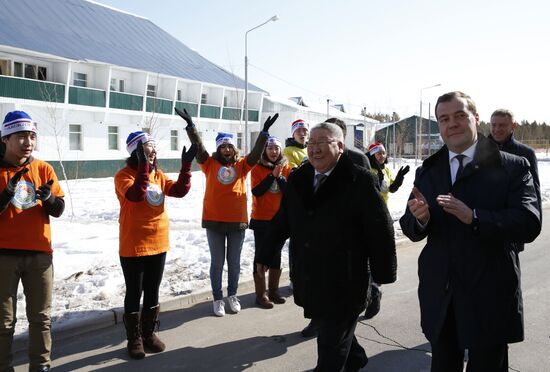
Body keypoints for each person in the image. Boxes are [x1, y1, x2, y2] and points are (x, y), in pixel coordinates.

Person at [400, 91, 541, 372]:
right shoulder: (429, 170)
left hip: (489, 291)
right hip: (442, 293)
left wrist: (475, 217)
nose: (451, 124)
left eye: (459, 116)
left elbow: (529, 222)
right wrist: (420, 219)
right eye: (443, 119)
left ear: (475, 119)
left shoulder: (512, 166)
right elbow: (410, 226)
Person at [258, 122, 397, 371]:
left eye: (322, 142)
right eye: (311, 143)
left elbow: (380, 229)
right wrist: (266, 253)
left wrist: (380, 276)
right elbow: (283, 220)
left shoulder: (359, 180)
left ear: (340, 146)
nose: (314, 149)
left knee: (330, 346)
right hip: (311, 275)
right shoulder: (299, 179)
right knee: (331, 327)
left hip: (346, 279)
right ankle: (355, 358)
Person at [175, 107, 279, 317]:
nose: (227, 149)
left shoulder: (242, 165)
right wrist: (191, 126)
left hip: (237, 223)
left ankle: (232, 295)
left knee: (234, 263)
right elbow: (199, 147)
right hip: (214, 221)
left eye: (230, 145)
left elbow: (257, 154)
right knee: (217, 263)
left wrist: (264, 132)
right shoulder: (209, 163)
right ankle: (217, 298)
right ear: (218, 149)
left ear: (234, 148)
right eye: (223, 146)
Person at [114, 131, 196, 359]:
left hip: (158, 242)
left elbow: (179, 190)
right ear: (136, 151)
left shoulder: (157, 174)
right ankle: (134, 338)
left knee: (152, 290)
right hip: (134, 245)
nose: (154, 150)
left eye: (153, 146)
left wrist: (186, 165)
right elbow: (136, 195)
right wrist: (142, 166)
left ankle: (149, 333)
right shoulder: (123, 176)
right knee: (134, 292)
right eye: (147, 146)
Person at [0, 111, 65, 372]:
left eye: (32, 136)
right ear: (5, 139)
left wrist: (49, 199)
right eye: (21, 136)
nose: (28, 142)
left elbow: (58, 209)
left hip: (40, 256)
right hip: (3, 256)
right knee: (3, 323)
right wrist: (5, 195)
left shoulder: (43, 169)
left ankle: (41, 367)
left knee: (41, 319)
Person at [300, 117, 372, 338]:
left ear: (341, 139)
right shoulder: (311, 163)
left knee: (339, 320)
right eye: (314, 141)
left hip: (350, 242)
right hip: (320, 240)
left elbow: (370, 197)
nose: (318, 147)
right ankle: (318, 322)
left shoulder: (358, 159)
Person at [250, 136, 292, 309]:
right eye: (270, 148)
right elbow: (257, 191)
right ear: (265, 150)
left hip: (280, 219)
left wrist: (280, 177)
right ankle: (261, 295)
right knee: (261, 255)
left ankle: (274, 291)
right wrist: (272, 176)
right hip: (261, 219)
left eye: (276, 148)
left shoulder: (286, 167)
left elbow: (289, 193)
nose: (274, 152)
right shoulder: (257, 168)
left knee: (276, 255)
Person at [489, 109, 541, 221]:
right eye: (494, 125)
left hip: (512, 218)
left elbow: (534, 190)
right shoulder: (479, 149)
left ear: (513, 126)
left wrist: (536, 220)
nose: (497, 129)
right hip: (484, 217)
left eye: (502, 125)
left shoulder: (526, 153)